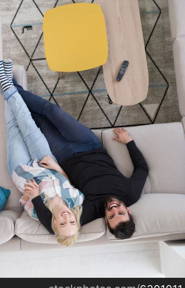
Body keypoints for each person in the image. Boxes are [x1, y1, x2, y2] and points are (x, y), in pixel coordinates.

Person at [13, 65, 149, 240]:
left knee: (37, 120)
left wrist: (36, 197)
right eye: (120, 211)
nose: (114, 209)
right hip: (89, 145)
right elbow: (142, 169)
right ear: (128, 211)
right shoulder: (131, 194)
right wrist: (129, 142)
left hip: (64, 157)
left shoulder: (90, 212)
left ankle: (11, 87)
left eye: (111, 216)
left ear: (106, 221)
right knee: (52, 111)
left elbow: (51, 227)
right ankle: (10, 86)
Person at [0, 59, 84, 246]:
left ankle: (5, 80)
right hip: (46, 161)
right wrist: (56, 166)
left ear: (54, 223)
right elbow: (67, 180)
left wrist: (32, 195)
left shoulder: (38, 212)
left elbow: (24, 198)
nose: (66, 217)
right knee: (28, 123)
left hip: (22, 169)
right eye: (71, 222)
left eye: (62, 223)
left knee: (13, 128)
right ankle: (5, 81)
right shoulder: (76, 200)